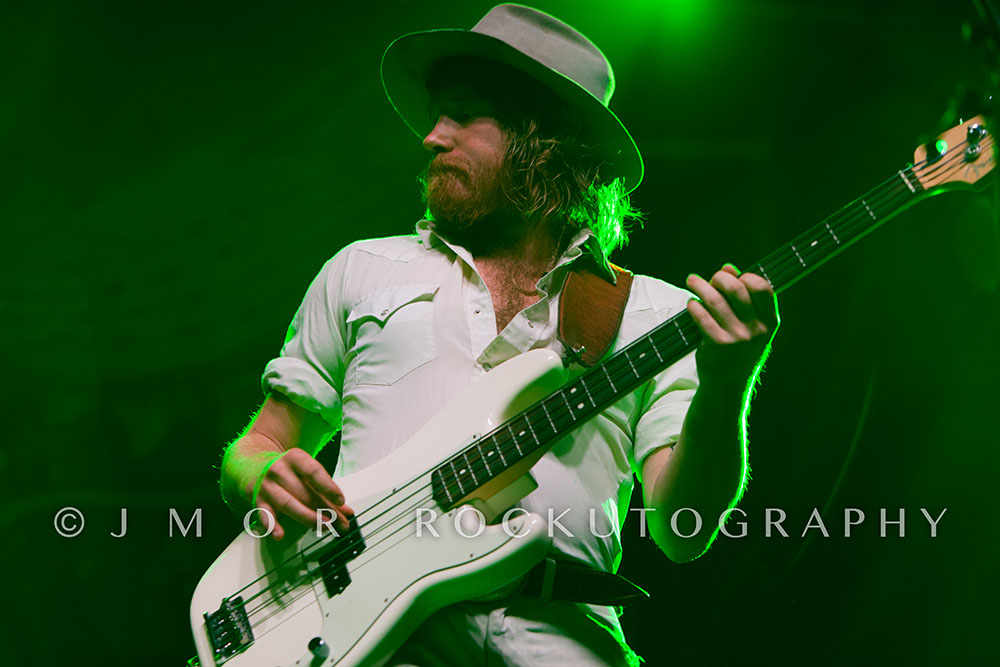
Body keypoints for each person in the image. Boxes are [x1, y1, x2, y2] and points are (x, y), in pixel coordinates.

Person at [219, 4, 777, 666]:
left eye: (462, 114)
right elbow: (257, 445)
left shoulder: (658, 313)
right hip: (367, 636)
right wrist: (264, 476)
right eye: (435, 115)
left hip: (564, 638)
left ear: (544, 140)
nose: (431, 136)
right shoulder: (362, 270)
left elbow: (682, 530)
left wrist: (726, 385)